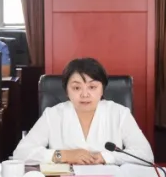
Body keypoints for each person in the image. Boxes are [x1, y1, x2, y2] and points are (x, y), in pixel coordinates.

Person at [13, 57, 153, 165]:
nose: (85, 95)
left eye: (92, 87)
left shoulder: (120, 114)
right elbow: (21, 153)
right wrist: (64, 155)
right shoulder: (53, 115)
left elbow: (146, 155)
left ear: (102, 89)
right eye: (76, 88)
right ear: (66, 91)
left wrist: (106, 157)